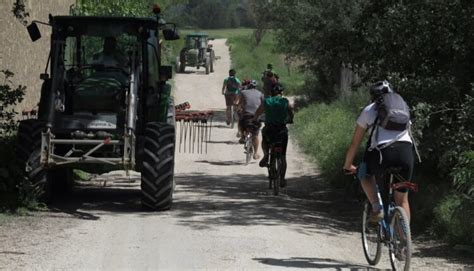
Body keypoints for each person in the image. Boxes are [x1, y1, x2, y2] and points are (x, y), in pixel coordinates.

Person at [343, 80, 415, 223]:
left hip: (383, 155)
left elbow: (354, 143)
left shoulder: (370, 110)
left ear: (373, 96)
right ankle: (404, 242)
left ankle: (377, 208)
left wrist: (348, 165)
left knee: (363, 173)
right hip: (406, 154)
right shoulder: (403, 107)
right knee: (402, 200)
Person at [253, 83, 294, 187]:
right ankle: (282, 179)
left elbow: (258, 112)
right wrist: (290, 119)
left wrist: (255, 119)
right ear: (281, 93)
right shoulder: (285, 101)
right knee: (283, 157)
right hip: (281, 130)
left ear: (271, 93)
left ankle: (266, 155)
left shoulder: (266, 101)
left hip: (269, 130)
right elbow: (291, 112)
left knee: (264, 137)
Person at [236, 80, 263, 159]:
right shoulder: (260, 94)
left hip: (246, 115)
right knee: (255, 135)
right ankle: (255, 153)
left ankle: (242, 137)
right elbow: (263, 105)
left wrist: (238, 108)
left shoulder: (243, 92)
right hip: (256, 116)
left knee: (240, 122)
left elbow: (239, 103)